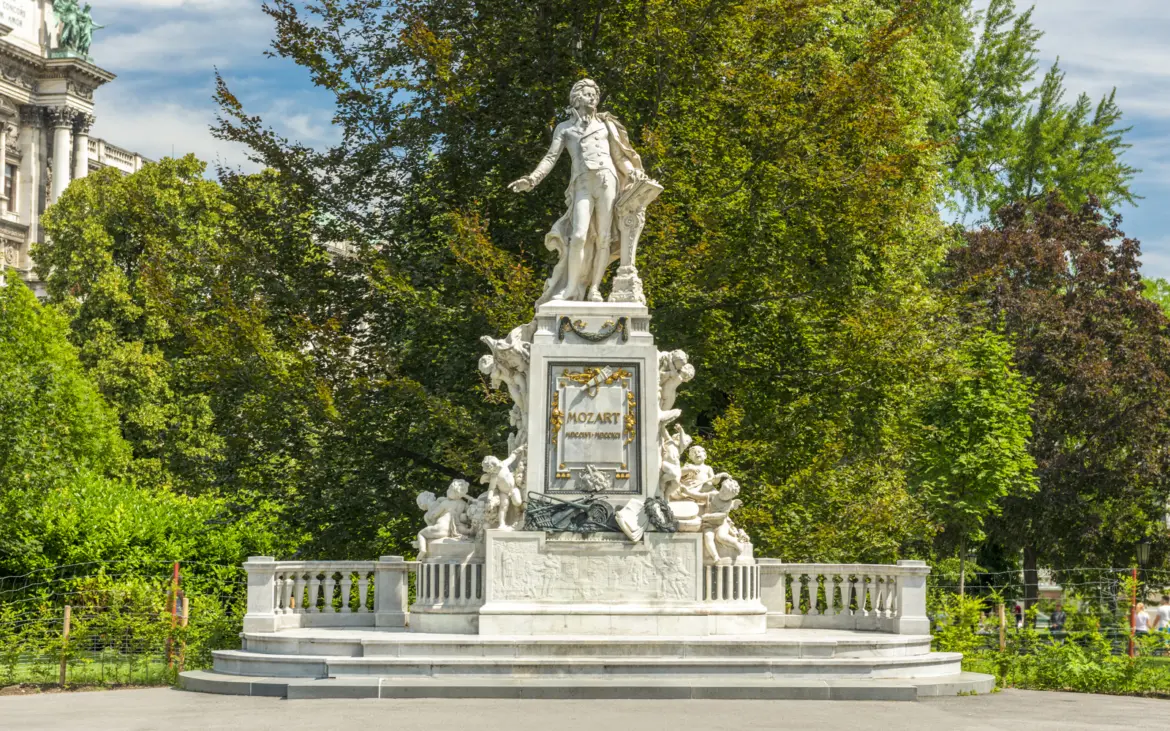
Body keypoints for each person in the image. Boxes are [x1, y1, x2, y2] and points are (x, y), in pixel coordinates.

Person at [509, 78, 648, 303]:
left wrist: (633, 172)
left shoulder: (606, 125)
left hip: (606, 180)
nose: (593, 97)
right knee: (578, 235)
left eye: (595, 93)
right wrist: (532, 179)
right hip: (582, 184)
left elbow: (620, 156)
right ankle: (571, 288)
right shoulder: (565, 128)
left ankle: (594, 288)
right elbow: (550, 157)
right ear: (576, 98)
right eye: (587, 93)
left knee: (604, 237)